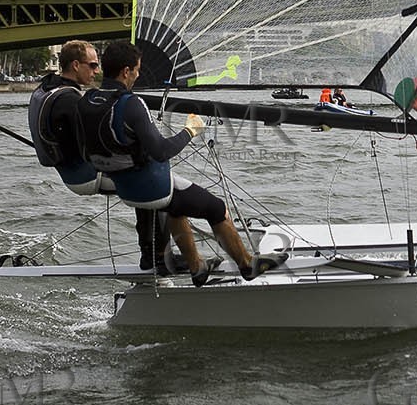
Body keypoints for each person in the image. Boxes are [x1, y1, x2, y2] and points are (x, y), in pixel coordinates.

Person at [80, 41, 282, 283]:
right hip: (152, 188)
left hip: (124, 187)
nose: (138, 74)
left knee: (177, 207)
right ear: (126, 71)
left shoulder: (87, 100)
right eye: (136, 70)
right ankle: (248, 265)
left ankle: (197, 267)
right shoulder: (131, 104)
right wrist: (190, 130)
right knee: (217, 208)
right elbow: (161, 151)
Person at [27, 40, 203, 277]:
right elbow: (100, 138)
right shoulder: (71, 100)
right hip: (87, 175)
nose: (97, 71)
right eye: (92, 65)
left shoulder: (49, 88)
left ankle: (151, 253)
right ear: (75, 65)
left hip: (70, 172)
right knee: (155, 183)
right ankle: (158, 258)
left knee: (145, 173)